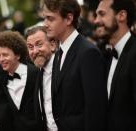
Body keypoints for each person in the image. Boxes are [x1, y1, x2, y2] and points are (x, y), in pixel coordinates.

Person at [42, 0, 108, 130]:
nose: (45, 24)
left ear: (68, 18)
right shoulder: (58, 54)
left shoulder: (88, 53)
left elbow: (95, 110)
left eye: (50, 18)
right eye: (45, 18)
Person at [94, 0, 136, 130]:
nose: (96, 21)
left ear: (121, 16)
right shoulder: (106, 54)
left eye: (102, 14)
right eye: (96, 15)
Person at [0, 31, 40, 131]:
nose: (1, 59)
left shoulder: (36, 73)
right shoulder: (0, 81)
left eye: (5, 55)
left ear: (18, 55)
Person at [25, 26, 57, 131]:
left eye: (39, 44)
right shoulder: (37, 74)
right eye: (30, 47)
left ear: (52, 45)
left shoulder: (65, 68)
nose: (35, 51)